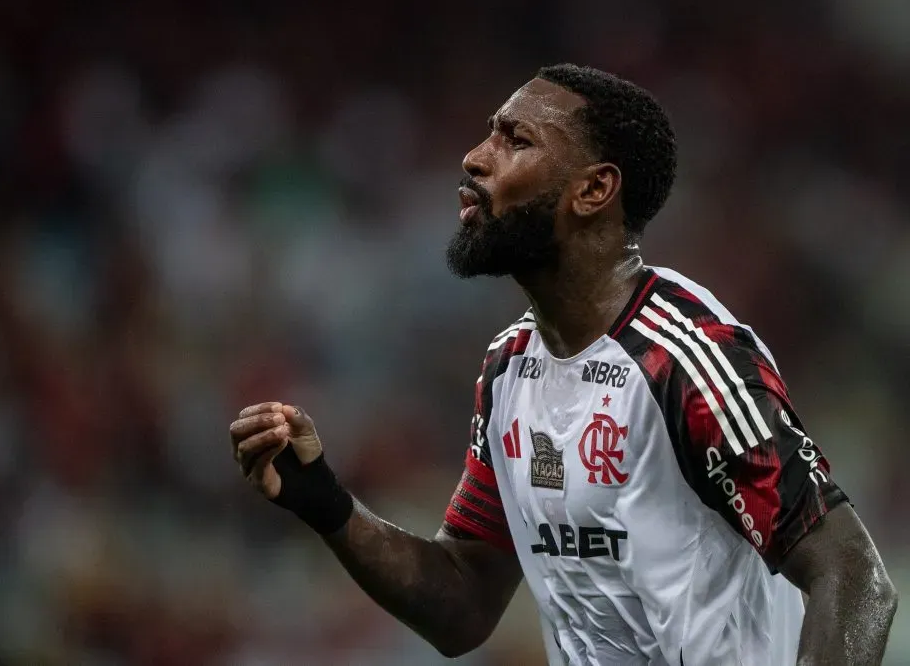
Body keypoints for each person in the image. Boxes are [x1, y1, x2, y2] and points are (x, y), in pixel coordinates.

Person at [229, 64, 898, 665]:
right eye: (489, 134)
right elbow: (463, 602)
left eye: (515, 141)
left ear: (593, 189)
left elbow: (853, 576)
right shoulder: (509, 367)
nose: (474, 158)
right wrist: (329, 505)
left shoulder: (685, 358)